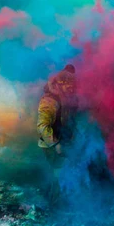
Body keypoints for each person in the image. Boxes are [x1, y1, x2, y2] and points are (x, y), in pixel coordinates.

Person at [37, 64, 78, 203]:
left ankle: (60, 198)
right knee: (58, 174)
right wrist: (56, 144)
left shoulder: (66, 98)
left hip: (63, 141)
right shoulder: (49, 101)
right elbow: (42, 126)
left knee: (63, 172)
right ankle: (54, 204)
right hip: (51, 145)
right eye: (68, 86)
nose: (72, 89)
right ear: (60, 85)